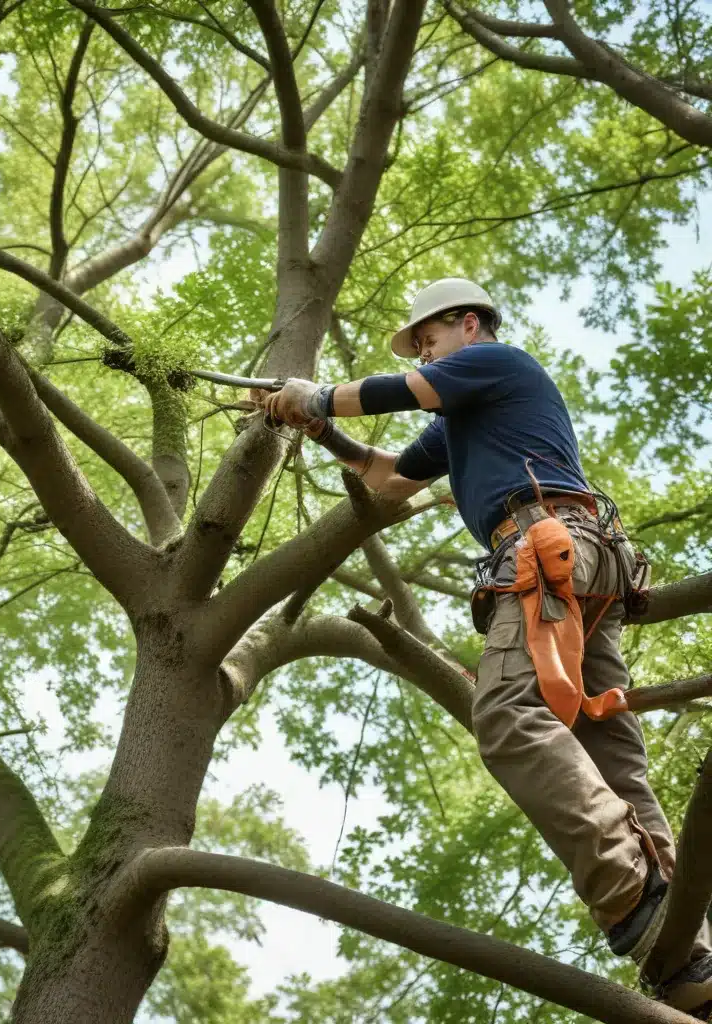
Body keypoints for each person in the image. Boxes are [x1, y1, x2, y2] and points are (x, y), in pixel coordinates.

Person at [254, 277, 712, 1018]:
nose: (427, 355)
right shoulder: (461, 418)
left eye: (429, 341)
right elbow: (392, 480)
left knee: (503, 715)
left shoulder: (498, 363)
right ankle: (689, 956)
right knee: (604, 747)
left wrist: (319, 393)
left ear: (468, 325)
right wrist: (323, 430)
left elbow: (403, 388)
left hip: (547, 545)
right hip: (586, 561)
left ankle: (633, 891)